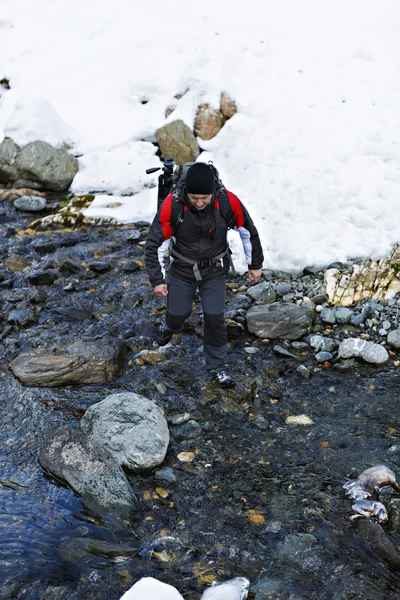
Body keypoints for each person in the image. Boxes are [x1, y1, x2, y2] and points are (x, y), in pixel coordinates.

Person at [145, 162, 264, 388]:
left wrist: (254, 264)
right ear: (185, 193)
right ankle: (169, 327)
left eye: (204, 198)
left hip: (215, 269)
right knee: (178, 314)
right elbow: (155, 244)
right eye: (194, 198)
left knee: (214, 317)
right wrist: (157, 280)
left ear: (213, 193)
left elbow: (248, 231)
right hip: (182, 269)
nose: (199, 203)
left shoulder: (227, 201)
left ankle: (217, 366)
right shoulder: (173, 205)